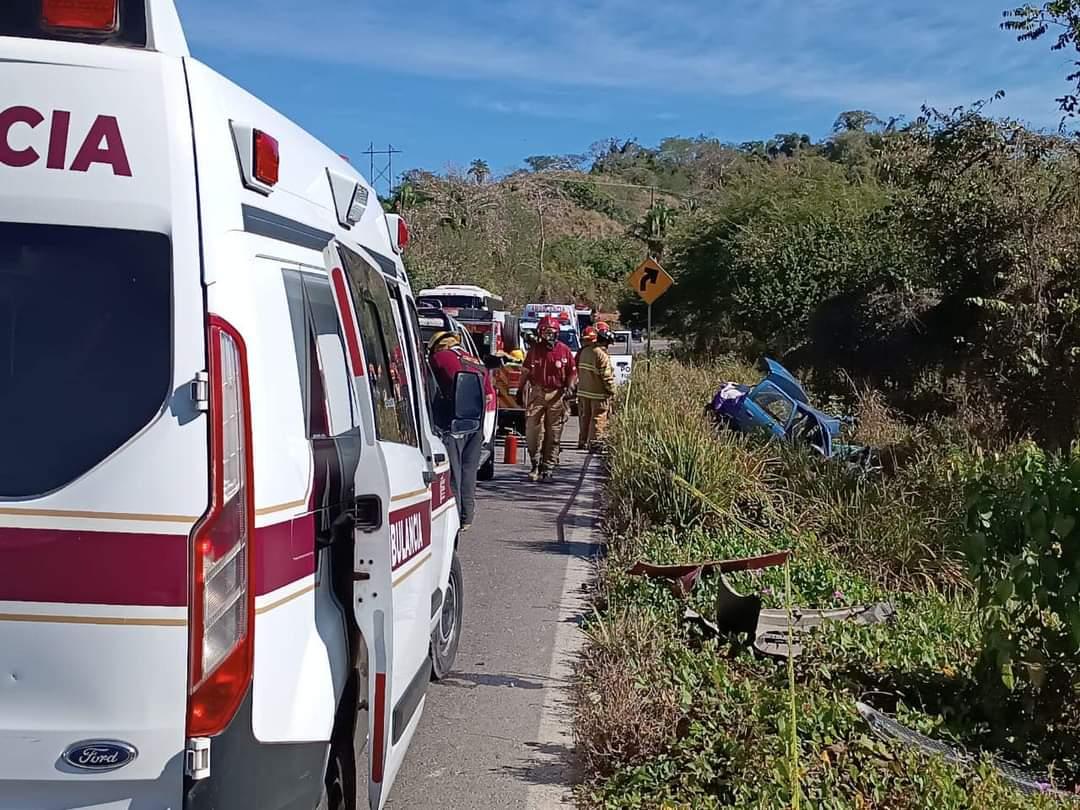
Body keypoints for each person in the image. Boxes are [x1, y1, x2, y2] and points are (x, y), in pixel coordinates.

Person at [428, 330, 495, 531]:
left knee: (453, 472)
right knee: (468, 471)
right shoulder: (474, 360)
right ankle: (467, 516)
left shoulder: (440, 357)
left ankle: (454, 518)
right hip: (475, 423)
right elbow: (489, 394)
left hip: (453, 422)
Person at [516, 315, 577, 481]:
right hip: (537, 392)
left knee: (554, 433)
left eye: (552, 332)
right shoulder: (534, 350)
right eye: (545, 331)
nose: (549, 335)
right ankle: (535, 463)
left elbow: (572, 372)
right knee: (533, 430)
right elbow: (526, 372)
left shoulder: (564, 351)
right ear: (540, 332)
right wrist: (520, 390)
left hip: (557, 395)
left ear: (557, 333)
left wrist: (570, 386)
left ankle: (548, 468)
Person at [575, 322, 617, 451]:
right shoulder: (602, 355)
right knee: (598, 418)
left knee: (584, 418)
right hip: (598, 394)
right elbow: (606, 377)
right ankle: (595, 443)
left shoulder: (585, 351)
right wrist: (613, 391)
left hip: (583, 392)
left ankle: (582, 441)